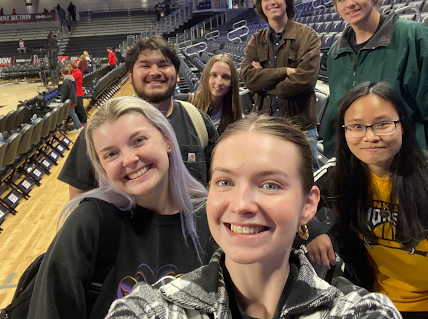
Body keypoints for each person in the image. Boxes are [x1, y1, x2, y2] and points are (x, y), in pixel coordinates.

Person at [105, 113, 402, 319]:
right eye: (225, 182)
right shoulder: (152, 307)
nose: (241, 204)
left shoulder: (359, 311)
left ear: (308, 206)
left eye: (270, 185)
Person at [313, 81, 428, 319]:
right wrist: (314, 231)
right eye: (356, 126)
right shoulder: (338, 173)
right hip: (373, 301)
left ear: (402, 125)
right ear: (344, 131)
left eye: (383, 124)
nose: (370, 137)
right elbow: (296, 199)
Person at [28, 97, 215, 319]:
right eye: (111, 154)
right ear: (102, 168)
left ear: (167, 140)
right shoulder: (89, 224)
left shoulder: (213, 217)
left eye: (138, 140)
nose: (129, 159)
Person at [322, 0, 428, 158]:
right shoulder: (336, 53)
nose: (350, 4)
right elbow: (338, 112)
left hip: (408, 161)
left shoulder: (413, 36)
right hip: (358, 159)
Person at [57, 35, 218, 199]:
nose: (155, 72)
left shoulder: (199, 122)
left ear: (177, 75)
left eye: (163, 65)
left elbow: (217, 185)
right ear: (130, 76)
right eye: (145, 65)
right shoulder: (101, 129)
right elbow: (78, 196)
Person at [241, 0, 321, 170]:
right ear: (261, 5)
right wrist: (284, 71)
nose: (272, 2)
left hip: (301, 128)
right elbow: (248, 79)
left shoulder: (307, 35)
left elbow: (304, 80)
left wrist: (264, 81)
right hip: (265, 126)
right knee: (269, 183)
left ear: (286, 0)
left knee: (310, 186)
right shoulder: (256, 40)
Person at [179, 54, 242, 134]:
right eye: (214, 75)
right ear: (206, 77)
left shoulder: (233, 113)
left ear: (232, 82)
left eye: (225, 77)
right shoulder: (184, 104)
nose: (219, 82)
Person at [59, 67, 82, 133]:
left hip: (69, 100)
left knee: (72, 114)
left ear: (62, 73)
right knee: (73, 113)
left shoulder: (66, 81)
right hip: (73, 98)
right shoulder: (72, 79)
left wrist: (61, 101)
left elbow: (64, 93)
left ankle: (78, 127)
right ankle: (77, 126)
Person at [67, 60, 87, 124]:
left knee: (80, 108)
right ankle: (80, 122)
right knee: (77, 109)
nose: (69, 68)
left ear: (73, 66)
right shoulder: (72, 72)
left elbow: (69, 79)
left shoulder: (77, 72)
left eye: (70, 67)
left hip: (78, 93)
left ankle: (84, 121)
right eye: (68, 67)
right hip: (75, 93)